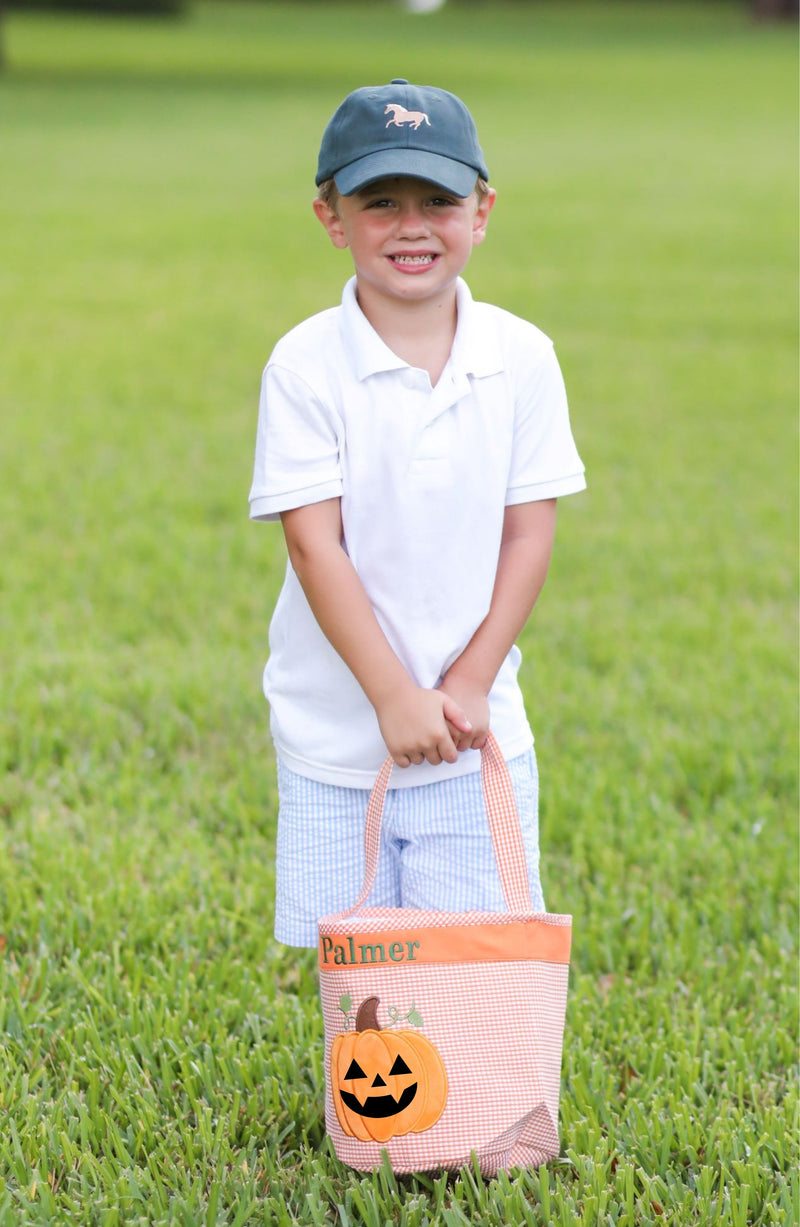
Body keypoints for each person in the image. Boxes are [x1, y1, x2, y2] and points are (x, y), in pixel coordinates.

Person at [249, 79, 585, 947]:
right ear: (331, 215)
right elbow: (314, 546)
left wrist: (468, 680)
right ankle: (362, 1089)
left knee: (474, 953)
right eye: (380, 201)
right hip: (338, 735)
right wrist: (393, 696)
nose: (412, 225)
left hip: (477, 735)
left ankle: (478, 1091)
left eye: (438, 200)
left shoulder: (521, 357)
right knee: (359, 963)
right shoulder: (304, 365)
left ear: (482, 210)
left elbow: (529, 532)